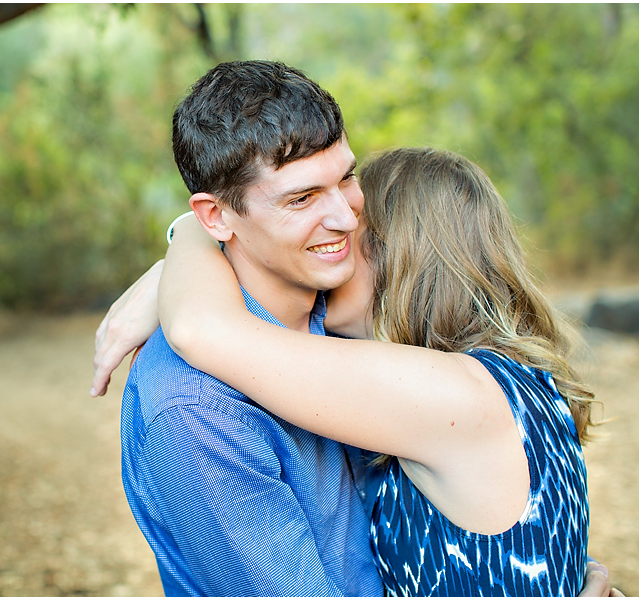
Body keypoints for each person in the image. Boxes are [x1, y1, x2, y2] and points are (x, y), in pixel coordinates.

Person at [92, 61, 618, 597]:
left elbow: (204, 326)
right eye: (303, 198)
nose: (343, 218)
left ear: (412, 268)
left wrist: (185, 243)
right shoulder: (196, 408)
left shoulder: (440, 390)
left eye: (347, 182)